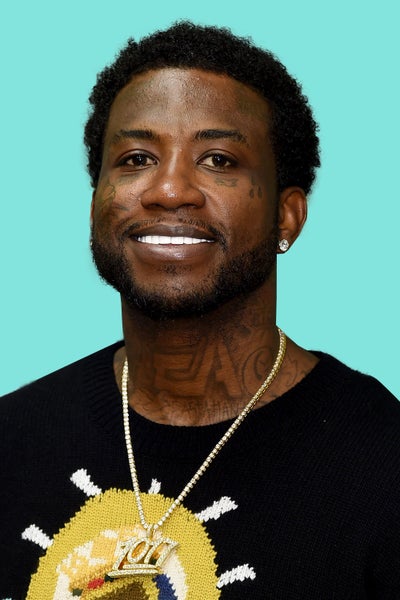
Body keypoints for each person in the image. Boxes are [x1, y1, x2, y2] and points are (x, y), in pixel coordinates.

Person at [1, 21, 399, 600]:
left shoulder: (381, 463)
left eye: (218, 159)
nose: (169, 190)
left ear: (287, 216)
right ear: (95, 204)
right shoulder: (13, 441)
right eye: (136, 157)